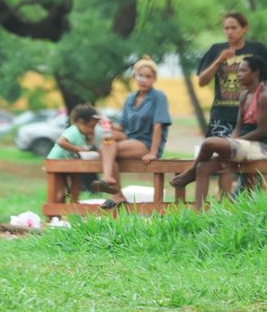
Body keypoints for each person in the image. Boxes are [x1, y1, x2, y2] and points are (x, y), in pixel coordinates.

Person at [170, 56, 267, 210]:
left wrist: (236, 142)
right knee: (204, 167)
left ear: (255, 73)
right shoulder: (243, 95)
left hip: (260, 146)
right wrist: (231, 141)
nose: (238, 74)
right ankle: (197, 213)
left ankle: (190, 173)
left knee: (209, 142)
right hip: (243, 143)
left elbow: (262, 130)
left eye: (243, 70)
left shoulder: (263, 96)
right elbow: (237, 127)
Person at [197, 12, 267, 195]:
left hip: (251, 117)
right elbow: (202, 81)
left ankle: (242, 200)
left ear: (244, 28)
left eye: (234, 27)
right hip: (222, 114)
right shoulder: (216, 49)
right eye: (226, 28)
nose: (229, 32)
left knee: (246, 165)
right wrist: (219, 59)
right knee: (222, 160)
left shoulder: (257, 49)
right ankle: (224, 200)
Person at [93, 56, 172, 209]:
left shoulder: (158, 97)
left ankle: (111, 184)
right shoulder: (130, 98)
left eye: (148, 76)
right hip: (129, 139)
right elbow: (122, 127)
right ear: (134, 76)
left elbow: (158, 126)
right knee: (107, 142)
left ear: (154, 78)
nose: (143, 79)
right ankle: (117, 194)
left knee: (106, 149)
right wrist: (105, 121)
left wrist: (153, 153)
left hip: (145, 143)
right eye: (140, 75)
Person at [46, 104, 107, 201]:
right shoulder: (73, 131)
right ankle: (56, 211)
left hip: (70, 164)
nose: (92, 130)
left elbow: (87, 148)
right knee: (61, 192)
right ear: (80, 122)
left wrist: (91, 138)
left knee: (75, 186)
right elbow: (61, 142)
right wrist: (77, 149)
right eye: (90, 127)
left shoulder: (83, 135)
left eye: (94, 127)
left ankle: (73, 206)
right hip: (57, 162)